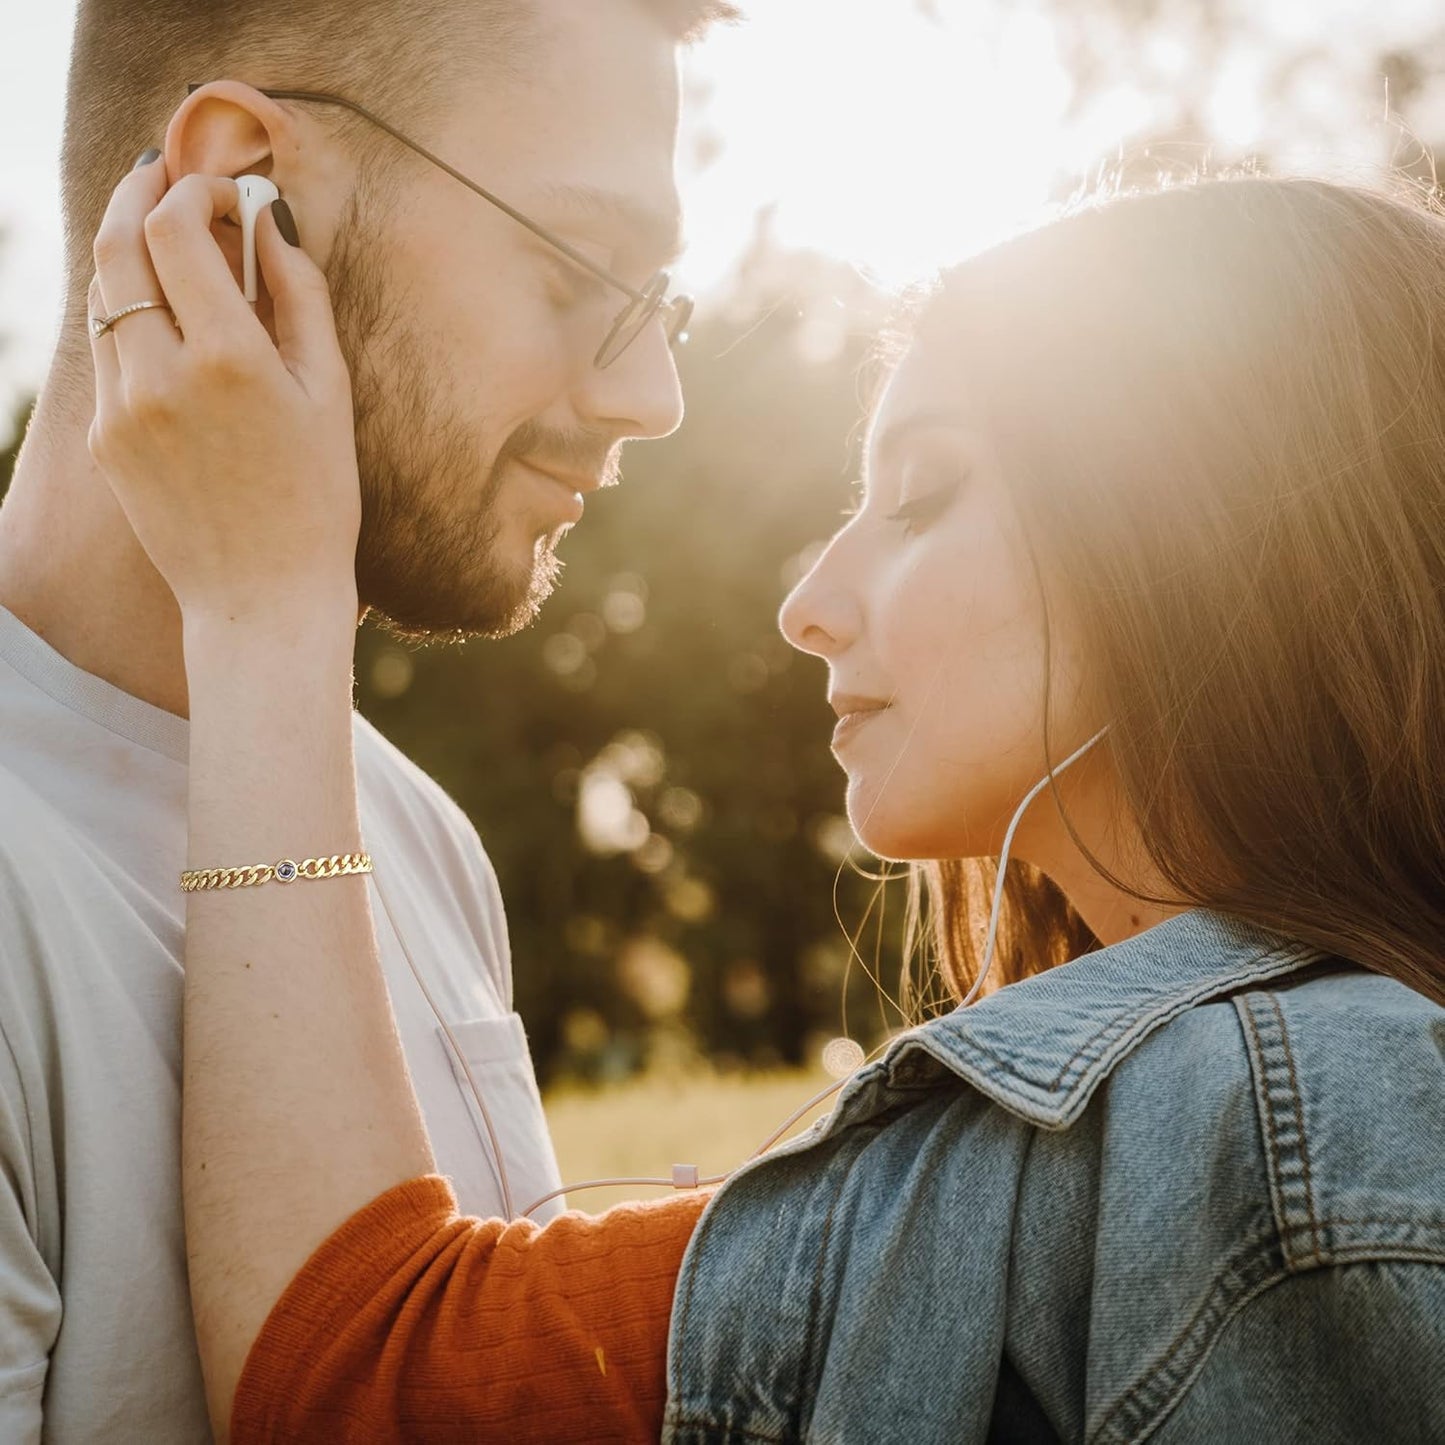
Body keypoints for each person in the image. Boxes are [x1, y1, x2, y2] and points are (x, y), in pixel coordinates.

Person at [90, 164, 1445, 1443]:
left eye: (922, 495)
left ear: (1199, 530)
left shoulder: (1274, 1115)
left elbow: (364, 1373)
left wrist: (265, 606)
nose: (808, 605)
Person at [0, 1, 737, 1438]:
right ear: (237, 205)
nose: (652, 395)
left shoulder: (411, 830)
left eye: (661, 298)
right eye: (579, 267)